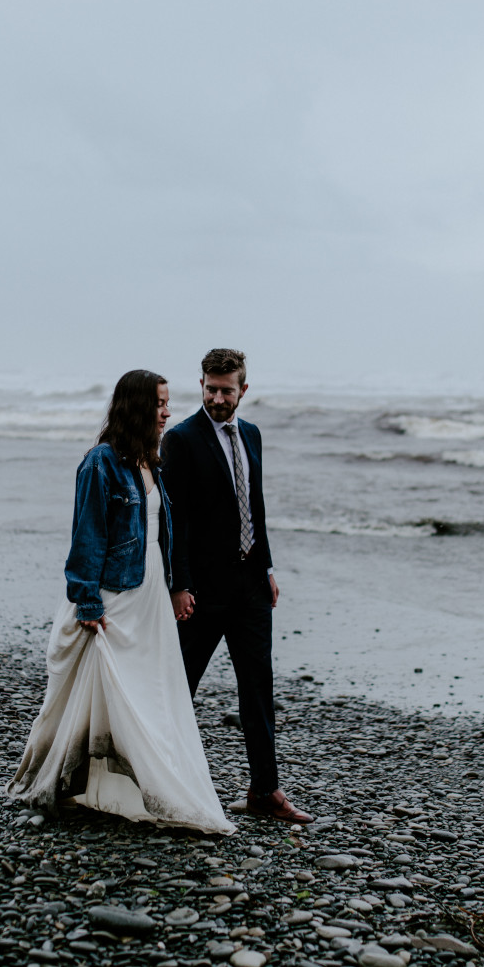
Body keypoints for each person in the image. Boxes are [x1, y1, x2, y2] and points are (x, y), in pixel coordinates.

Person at [8, 369, 235, 835]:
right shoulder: (100, 463)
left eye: (168, 403)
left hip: (149, 590)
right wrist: (87, 601)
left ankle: (139, 786)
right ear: (136, 407)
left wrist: (177, 585)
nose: (168, 411)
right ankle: (79, 781)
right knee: (107, 688)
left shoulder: (149, 461)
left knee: (150, 690)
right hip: (113, 593)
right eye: (159, 403)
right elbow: (86, 537)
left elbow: (163, 532)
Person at [161, 349, 313, 824]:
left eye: (227, 390)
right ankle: (160, 782)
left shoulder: (252, 434)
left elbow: (255, 508)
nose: (218, 397)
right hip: (202, 593)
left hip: (250, 587)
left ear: (243, 390)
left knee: (258, 691)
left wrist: (266, 568)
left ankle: (264, 792)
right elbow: (175, 520)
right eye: (211, 388)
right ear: (201, 385)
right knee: (179, 689)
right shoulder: (181, 439)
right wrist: (179, 584)